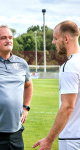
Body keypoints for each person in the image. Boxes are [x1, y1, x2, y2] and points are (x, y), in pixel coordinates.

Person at [32, 20, 80, 150]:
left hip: (72, 138)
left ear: (65, 38)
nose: (53, 42)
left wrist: (49, 139)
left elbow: (68, 107)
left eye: (55, 38)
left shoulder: (70, 66)